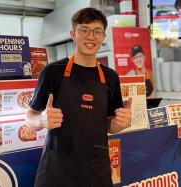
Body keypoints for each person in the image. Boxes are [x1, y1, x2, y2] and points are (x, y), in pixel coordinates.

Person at [26, 7, 132, 187]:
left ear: (103, 37)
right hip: (57, 171)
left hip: (96, 172)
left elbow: (109, 125)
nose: (91, 36)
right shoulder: (52, 72)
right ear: (73, 34)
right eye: (84, 30)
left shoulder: (110, 77)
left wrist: (120, 123)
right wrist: (42, 121)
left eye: (97, 31)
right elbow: (29, 118)